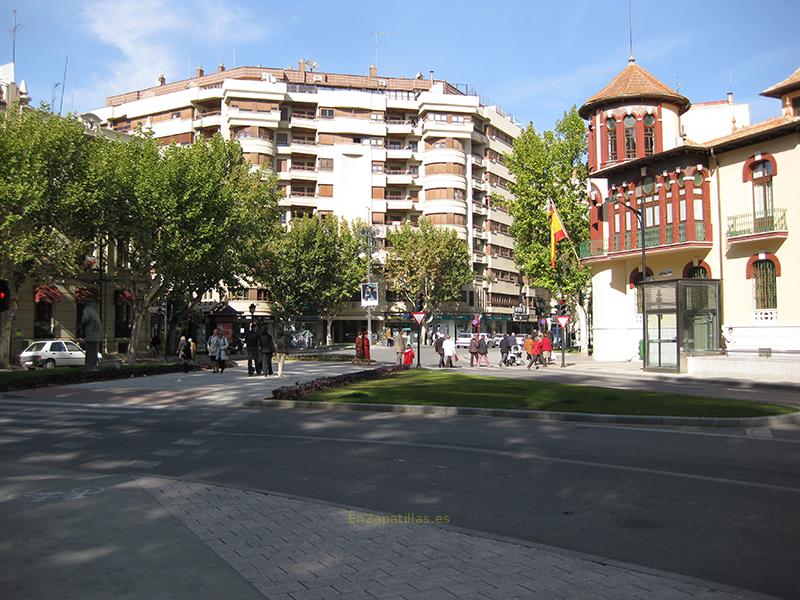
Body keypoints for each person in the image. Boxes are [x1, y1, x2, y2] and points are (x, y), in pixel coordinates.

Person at [81, 298, 102, 370]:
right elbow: (86, 320)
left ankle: (91, 367)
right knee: (92, 353)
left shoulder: (88, 310)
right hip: (94, 335)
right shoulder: (91, 311)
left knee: (91, 353)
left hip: (92, 335)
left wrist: (82, 327)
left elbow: (84, 320)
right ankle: (92, 367)